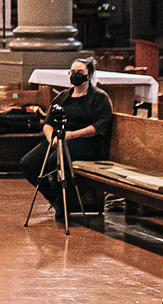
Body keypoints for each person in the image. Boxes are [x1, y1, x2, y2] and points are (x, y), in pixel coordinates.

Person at [20, 57, 113, 222]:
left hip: (87, 142)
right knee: (28, 163)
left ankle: (65, 203)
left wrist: (72, 134)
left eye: (80, 73)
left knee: (54, 161)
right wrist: (51, 139)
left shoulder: (99, 98)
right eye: (72, 72)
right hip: (59, 140)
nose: (75, 76)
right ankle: (57, 200)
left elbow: (99, 127)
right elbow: (48, 123)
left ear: (90, 75)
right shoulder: (63, 96)